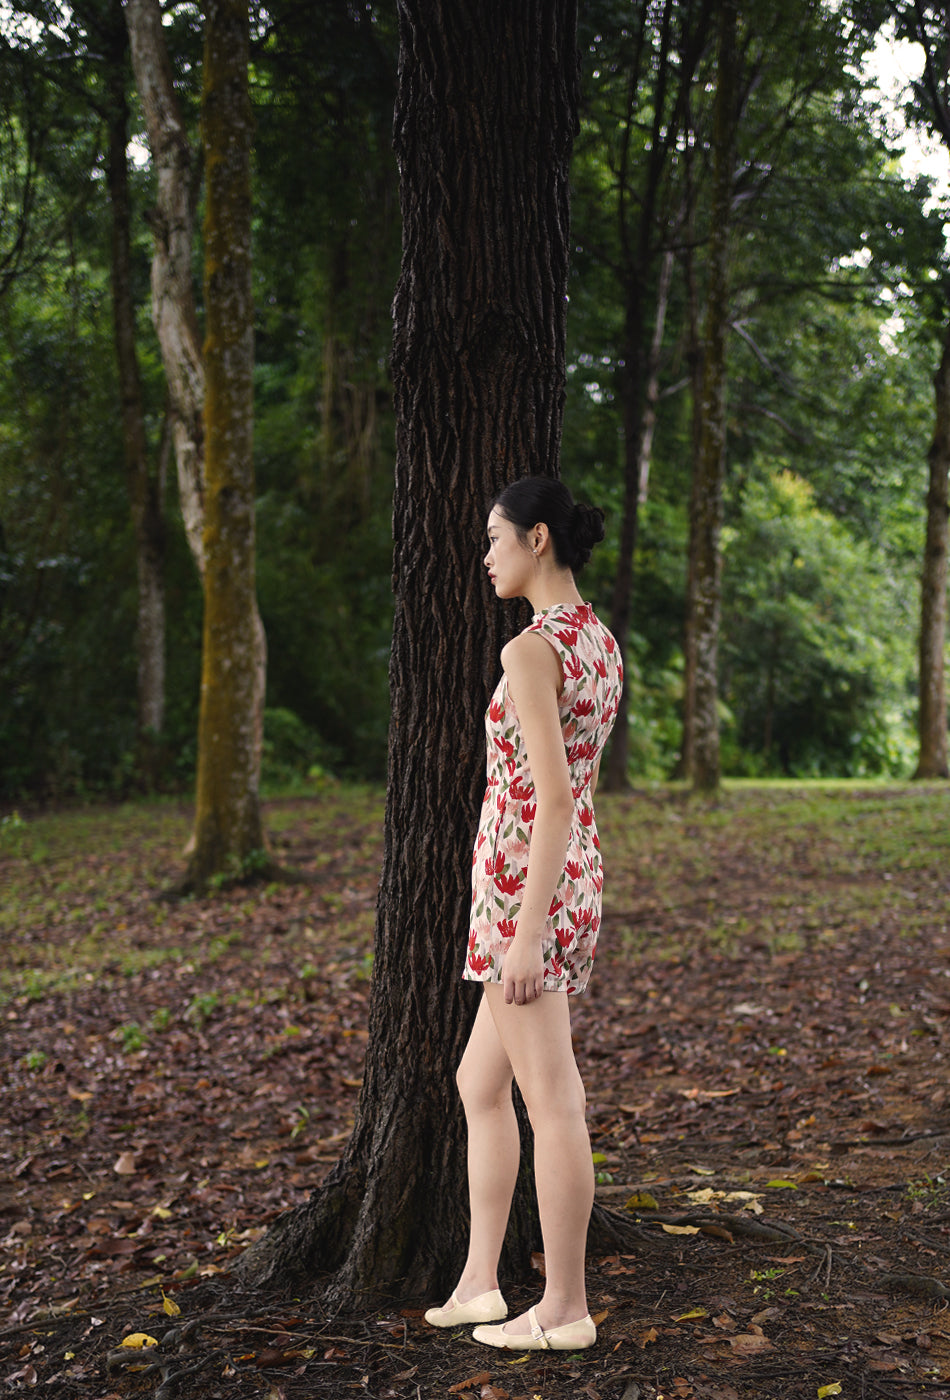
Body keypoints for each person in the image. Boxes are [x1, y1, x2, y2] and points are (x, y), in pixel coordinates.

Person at [424, 475, 623, 1352]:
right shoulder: (601, 642)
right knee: (480, 1084)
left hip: (525, 892)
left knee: (555, 1101)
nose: (485, 556)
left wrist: (528, 927)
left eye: (495, 539)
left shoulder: (531, 652)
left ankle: (565, 1307)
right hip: (556, 878)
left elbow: (549, 797)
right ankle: (478, 1283)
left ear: (538, 538)